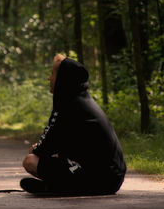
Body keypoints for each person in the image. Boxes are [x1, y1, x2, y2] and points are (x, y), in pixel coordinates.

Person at [20, 54, 126, 195]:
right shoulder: (81, 100)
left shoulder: (68, 104)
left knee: (30, 161)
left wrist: (37, 149)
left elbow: (44, 147)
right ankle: (58, 186)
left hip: (100, 179)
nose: (49, 78)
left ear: (62, 78)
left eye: (52, 74)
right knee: (51, 157)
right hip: (112, 178)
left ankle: (58, 188)